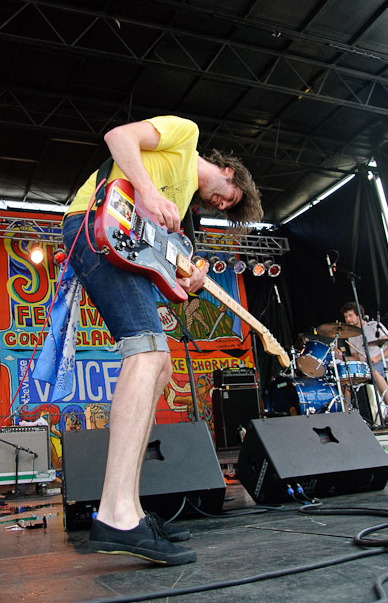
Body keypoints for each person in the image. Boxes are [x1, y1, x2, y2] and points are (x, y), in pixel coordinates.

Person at [62, 115, 263, 566]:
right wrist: (149, 192)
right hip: (94, 224)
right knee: (148, 354)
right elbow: (116, 136)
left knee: (161, 364)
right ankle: (115, 512)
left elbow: (158, 257)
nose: (224, 206)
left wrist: (186, 276)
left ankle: (128, 508)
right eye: (233, 199)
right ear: (230, 173)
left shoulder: (185, 204)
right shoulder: (186, 134)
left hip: (117, 244)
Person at [338, 302, 388, 414]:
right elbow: (356, 357)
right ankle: (346, 413)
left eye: (350, 316)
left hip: (382, 361)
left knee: (375, 372)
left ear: (359, 315)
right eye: (346, 317)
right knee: (346, 381)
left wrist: (376, 358)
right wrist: (341, 357)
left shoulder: (374, 326)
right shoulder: (351, 335)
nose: (348, 320)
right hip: (365, 366)